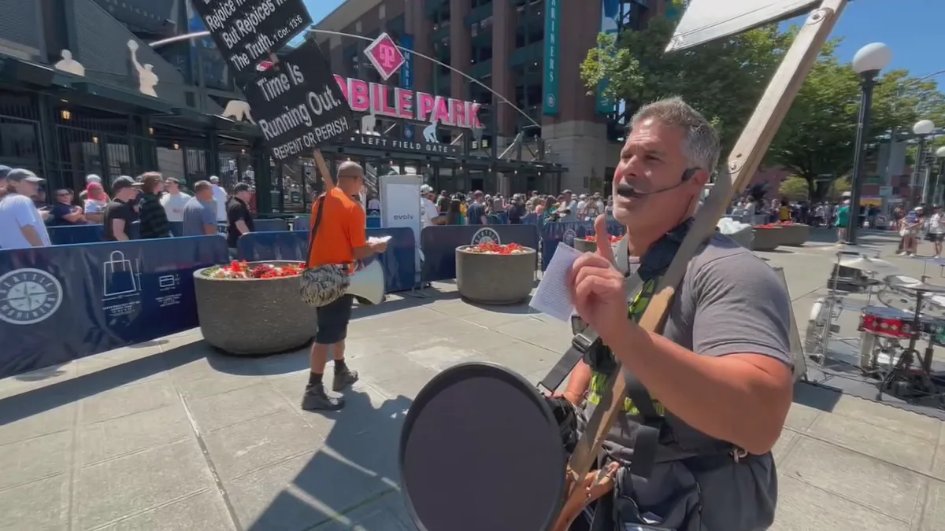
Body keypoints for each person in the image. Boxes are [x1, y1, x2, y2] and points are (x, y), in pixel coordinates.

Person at [562, 98, 792, 530]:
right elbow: (597, 353)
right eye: (626, 154)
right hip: (603, 485)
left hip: (686, 502)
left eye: (651, 158)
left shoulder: (731, 272)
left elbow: (760, 422)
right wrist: (567, 403)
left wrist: (626, 334)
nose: (628, 169)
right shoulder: (617, 261)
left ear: (694, 182)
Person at [302, 162, 387, 411]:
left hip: (318, 272)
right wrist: (377, 246)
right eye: (362, 182)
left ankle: (340, 371)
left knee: (337, 327)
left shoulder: (321, 200)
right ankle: (313, 390)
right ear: (356, 180)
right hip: (336, 275)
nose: (363, 186)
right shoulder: (353, 207)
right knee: (326, 334)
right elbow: (358, 250)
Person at [0, 169, 51, 249]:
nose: (36, 186)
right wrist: (43, 252)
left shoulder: (4, 202)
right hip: (32, 257)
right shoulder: (21, 199)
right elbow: (27, 228)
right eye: (31, 182)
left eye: (36, 183)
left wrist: (38, 216)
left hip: (15, 257)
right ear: (13, 182)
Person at [103, 176, 139, 241]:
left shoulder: (113, 205)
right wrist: (131, 247)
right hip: (121, 249)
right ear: (123, 189)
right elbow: (118, 233)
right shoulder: (119, 207)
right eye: (133, 188)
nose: (137, 191)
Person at [137, 172, 170, 239]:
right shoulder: (151, 202)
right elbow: (160, 228)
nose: (163, 183)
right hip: (156, 241)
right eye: (161, 181)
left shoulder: (144, 199)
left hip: (149, 240)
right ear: (154, 184)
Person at [226, 182, 255, 256]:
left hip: (235, 243)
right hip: (239, 245)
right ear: (240, 192)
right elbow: (240, 224)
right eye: (248, 191)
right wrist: (250, 239)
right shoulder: (238, 206)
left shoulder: (233, 202)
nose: (250, 194)